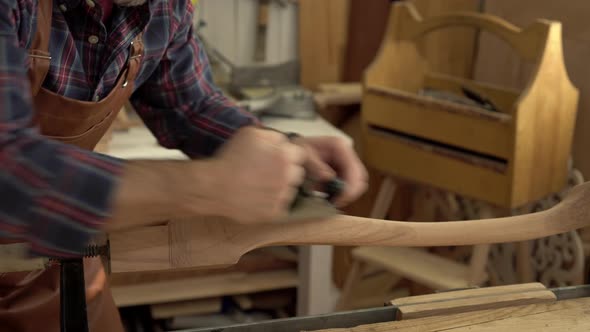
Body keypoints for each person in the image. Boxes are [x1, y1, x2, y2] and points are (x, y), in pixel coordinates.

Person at [0, 0, 368, 331]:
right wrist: (204, 186)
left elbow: (190, 107)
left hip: (57, 259)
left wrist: (281, 152)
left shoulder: (162, 7)